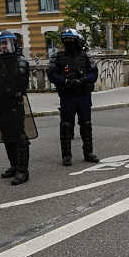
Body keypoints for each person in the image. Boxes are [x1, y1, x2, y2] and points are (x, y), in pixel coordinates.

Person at [0, 30, 32, 185]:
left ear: (13, 44)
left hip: (14, 105)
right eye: (0, 44)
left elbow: (18, 82)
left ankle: (23, 171)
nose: (3, 46)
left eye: (5, 43)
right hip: (1, 104)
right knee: (7, 137)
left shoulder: (20, 60)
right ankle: (14, 165)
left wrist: (4, 90)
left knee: (19, 137)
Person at [47, 27, 100, 166]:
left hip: (83, 94)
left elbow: (94, 74)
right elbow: (51, 74)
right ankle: (66, 155)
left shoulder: (86, 56)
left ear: (77, 41)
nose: (69, 42)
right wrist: (65, 81)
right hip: (67, 95)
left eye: (71, 40)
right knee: (66, 125)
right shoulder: (57, 56)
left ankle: (88, 152)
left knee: (86, 124)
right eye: (66, 40)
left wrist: (82, 80)